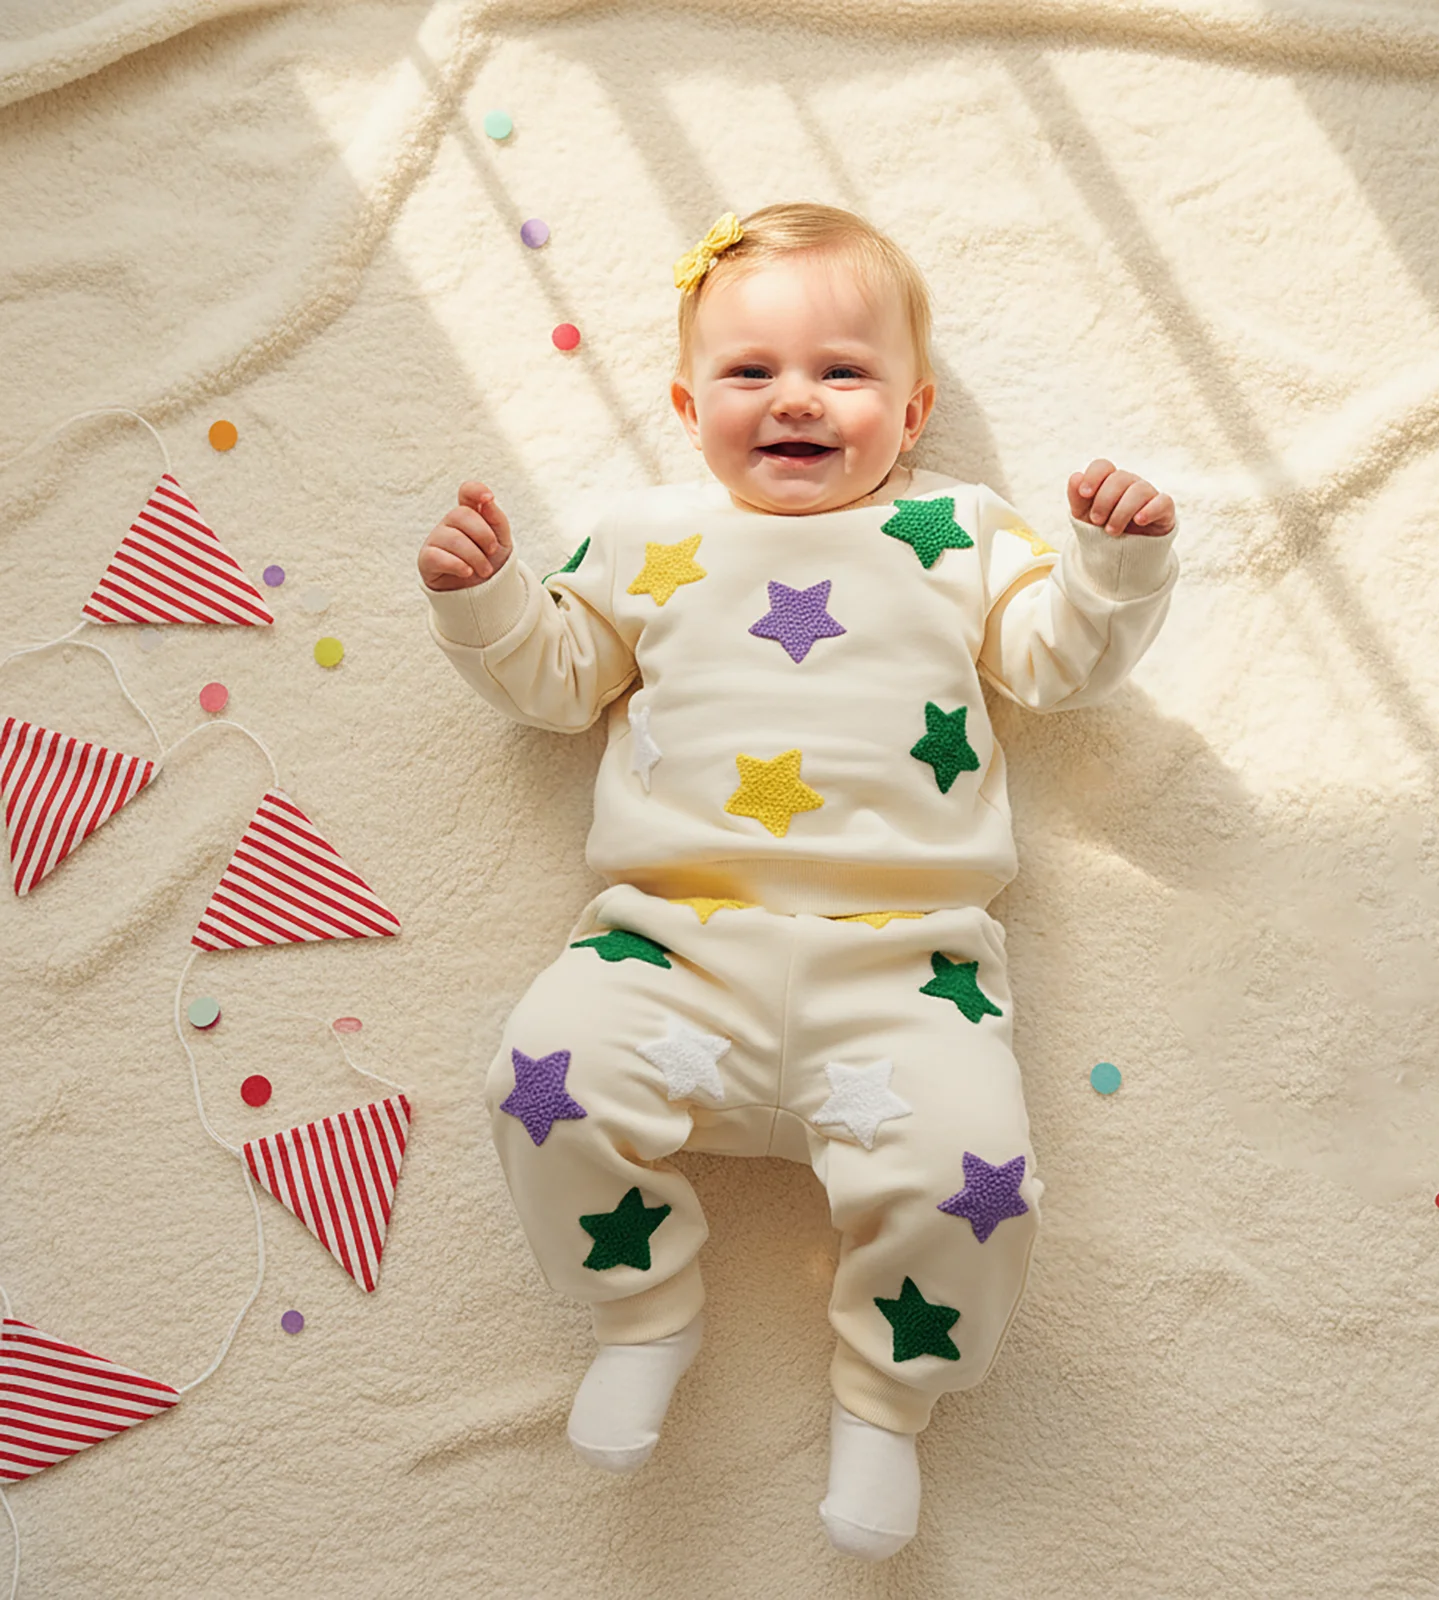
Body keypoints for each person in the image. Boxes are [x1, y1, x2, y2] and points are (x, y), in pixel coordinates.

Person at [417, 202, 1179, 1561]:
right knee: (537, 1084)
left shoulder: (954, 533)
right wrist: (487, 602)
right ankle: (640, 1306)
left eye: (844, 372)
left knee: (974, 1179)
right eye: (752, 373)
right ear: (684, 400)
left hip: (907, 963)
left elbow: (1058, 661)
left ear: (915, 407)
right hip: (667, 947)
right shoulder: (646, 538)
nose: (798, 402)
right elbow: (554, 683)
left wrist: (1112, 566)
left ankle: (889, 1400)